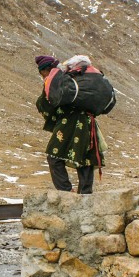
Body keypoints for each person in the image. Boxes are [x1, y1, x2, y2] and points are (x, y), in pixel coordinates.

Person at [35, 55, 103, 194]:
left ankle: (65, 192)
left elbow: (48, 105)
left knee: (54, 156)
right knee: (85, 158)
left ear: (47, 70)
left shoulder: (58, 81)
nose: (43, 77)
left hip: (69, 122)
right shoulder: (74, 78)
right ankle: (85, 194)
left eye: (43, 73)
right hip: (88, 121)